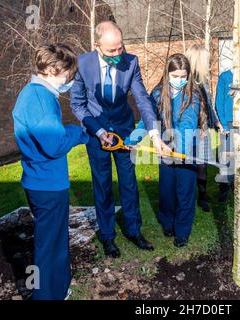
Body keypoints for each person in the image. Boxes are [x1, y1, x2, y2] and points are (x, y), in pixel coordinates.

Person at [70, 21, 170, 258]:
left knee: (128, 182)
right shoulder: (82, 65)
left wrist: (154, 134)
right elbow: (77, 104)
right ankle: (107, 237)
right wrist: (98, 131)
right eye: (111, 51)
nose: (117, 55)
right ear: (97, 46)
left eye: (120, 48)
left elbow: (143, 99)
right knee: (102, 185)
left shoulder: (131, 62)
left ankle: (134, 230)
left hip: (124, 131)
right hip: (97, 134)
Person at [12, 44, 89, 300]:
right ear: (52, 69)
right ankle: (45, 295)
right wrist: (79, 133)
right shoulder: (40, 99)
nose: (69, 79)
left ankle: (58, 288)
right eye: (68, 73)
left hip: (41, 180)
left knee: (54, 239)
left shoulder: (34, 94)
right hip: (47, 184)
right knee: (48, 244)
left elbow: (50, 135)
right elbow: (54, 143)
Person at [127, 54, 205, 247]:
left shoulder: (192, 95)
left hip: (186, 151)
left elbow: (188, 124)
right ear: (167, 73)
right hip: (165, 148)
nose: (180, 80)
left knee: (185, 191)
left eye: (183, 76)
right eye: (175, 76)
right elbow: (148, 119)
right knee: (167, 190)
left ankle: (182, 231)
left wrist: (180, 148)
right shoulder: (158, 93)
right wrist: (133, 139)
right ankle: (167, 222)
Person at [215, 46, 240, 202]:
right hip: (228, 123)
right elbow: (219, 102)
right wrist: (224, 124)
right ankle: (224, 188)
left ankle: (239, 187)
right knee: (226, 156)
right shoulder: (225, 77)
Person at [185, 44, 223, 212]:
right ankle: (190, 195)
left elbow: (209, 104)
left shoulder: (204, 81)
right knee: (189, 162)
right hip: (190, 129)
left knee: (203, 163)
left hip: (204, 128)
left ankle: (202, 194)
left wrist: (215, 122)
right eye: (206, 61)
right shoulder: (186, 82)